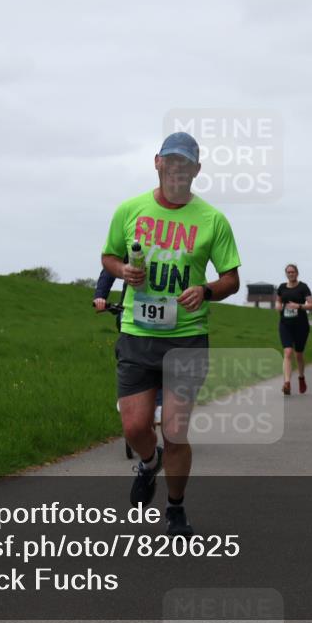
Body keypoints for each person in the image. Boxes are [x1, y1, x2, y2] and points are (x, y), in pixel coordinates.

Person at [101, 131, 241, 536]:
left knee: (177, 430)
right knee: (134, 428)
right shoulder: (130, 210)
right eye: (171, 162)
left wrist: (207, 290)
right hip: (137, 332)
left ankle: (176, 509)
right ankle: (148, 461)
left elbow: (231, 278)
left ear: (196, 171)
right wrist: (121, 271)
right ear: (157, 162)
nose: (177, 171)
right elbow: (108, 255)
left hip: (186, 337)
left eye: (186, 165)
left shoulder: (212, 220)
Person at [276, 264, 312, 394]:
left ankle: (301, 377)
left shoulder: (303, 287)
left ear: (297, 273)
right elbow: (278, 300)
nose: (291, 274)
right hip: (285, 324)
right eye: (288, 272)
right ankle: (287, 383)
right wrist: (278, 306)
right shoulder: (281, 287)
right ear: (286, 274)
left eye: (293, 272)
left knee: (298, 354)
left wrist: (298, 306)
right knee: (287, 352)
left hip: (301, 326)